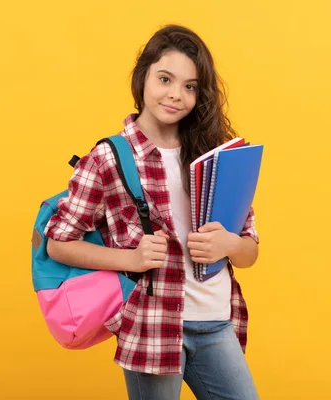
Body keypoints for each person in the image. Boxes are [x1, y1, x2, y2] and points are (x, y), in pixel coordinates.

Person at [44, 24, 260, 400]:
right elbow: (58, 243)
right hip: (154, 325)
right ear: (143, 77)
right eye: (165, 79)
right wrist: (132, 257)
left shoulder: (216, 155)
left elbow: (250, 252)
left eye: (190, 86)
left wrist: (229, 244)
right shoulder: (108, 158)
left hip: (215, 321)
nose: (176, 95)